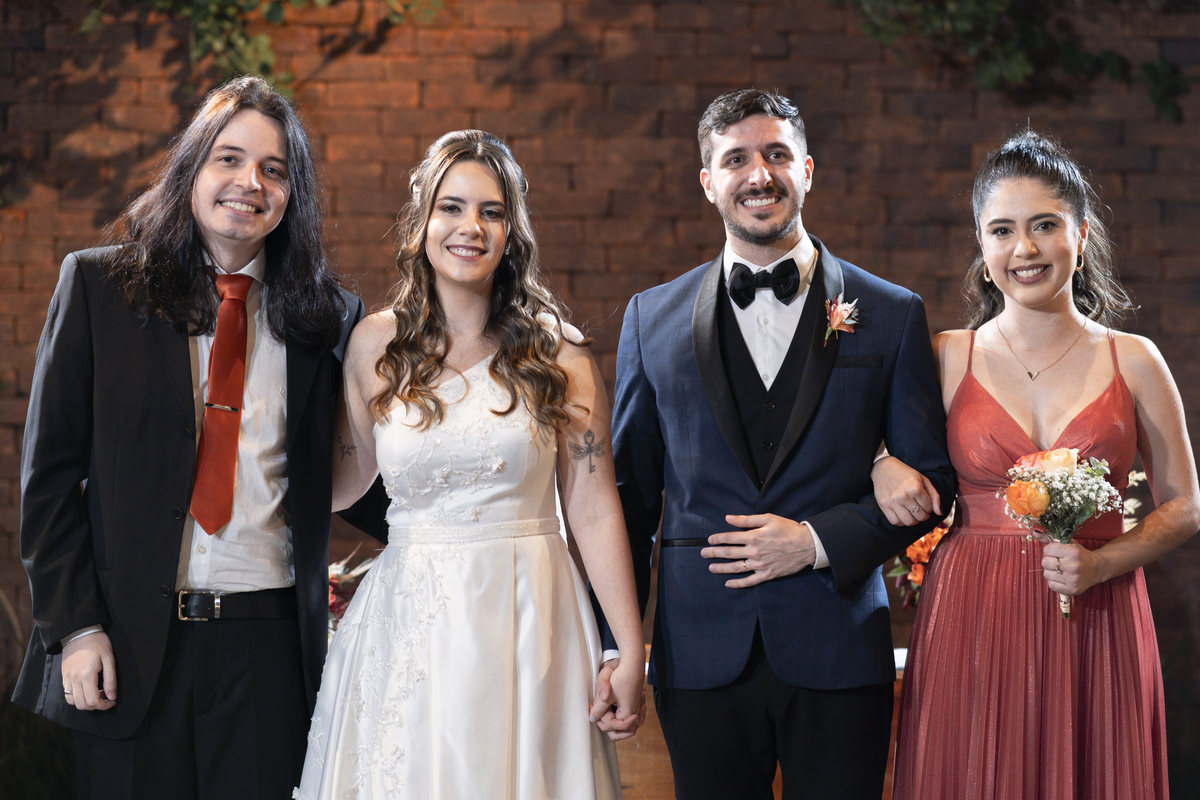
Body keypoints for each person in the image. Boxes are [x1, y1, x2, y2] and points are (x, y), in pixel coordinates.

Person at [11, 75, 370, 799]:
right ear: (191, 169)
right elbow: (47, 480)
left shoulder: (330, 318)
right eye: (228, 159)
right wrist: (76, 629)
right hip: (129, 648)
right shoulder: (99, 290)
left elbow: (356, 479)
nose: (250, 183)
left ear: (293, 194)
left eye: (274, 170)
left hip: (270, 656)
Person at [607, 88, 956, 800]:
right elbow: (627, 501)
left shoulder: (891, 313)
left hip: (838, 646)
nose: (758, 174)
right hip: (699, 652)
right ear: (709, 182)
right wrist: (617, 643)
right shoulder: (650, 318)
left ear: (807, 170)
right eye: (735, 159)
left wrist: (816, 542)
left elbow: (933, 483)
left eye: (776, 154)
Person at [294, 129, 645, 799]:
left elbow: (596, 508)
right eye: (451, 207)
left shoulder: (558, 355)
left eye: (491, 211)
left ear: (512, 232)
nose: (470, 227)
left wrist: (626, 648)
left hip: (530, 610)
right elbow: (341, 483)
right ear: (422, 219)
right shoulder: (373, 345)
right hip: (409, 618)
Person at [876, 130, 1200, 799]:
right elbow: (882, 453)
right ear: (982, 245)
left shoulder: (1134, 359)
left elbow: (1186, 504)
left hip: (1100, 608)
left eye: (1044, 226)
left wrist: (1103, 564)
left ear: (1081, 236)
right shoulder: (947, 355)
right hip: (972, 609)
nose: (1023, 248)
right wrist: (881, 464)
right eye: (1002, 230)